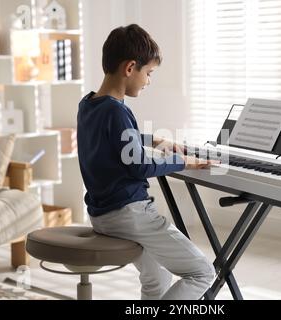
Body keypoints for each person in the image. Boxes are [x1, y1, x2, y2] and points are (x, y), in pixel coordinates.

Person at [77, 24, 216, 300]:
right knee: (203, 273)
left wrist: (155, 140)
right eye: (148, 73)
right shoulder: (118, 112)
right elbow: (139, 166)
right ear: (130, 68)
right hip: (130, 215)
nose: (148, 81)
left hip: (101, 216)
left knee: (157, 277)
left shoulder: (89, 105)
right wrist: (182, 161)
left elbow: (115, 137)